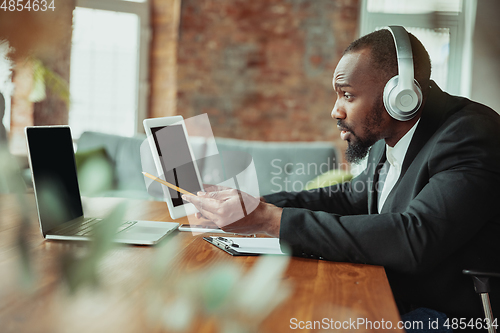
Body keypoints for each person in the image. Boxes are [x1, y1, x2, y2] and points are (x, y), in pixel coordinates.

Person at [183, 27, 500, 330]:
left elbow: (416, 236)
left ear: (399, 96)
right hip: (393, 291)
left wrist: (270, 220)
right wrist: (256, 204)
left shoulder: (470, 134)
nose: (336, 110)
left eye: (347, 95)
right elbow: (352, 197)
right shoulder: (387, 136)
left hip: (446, 315)